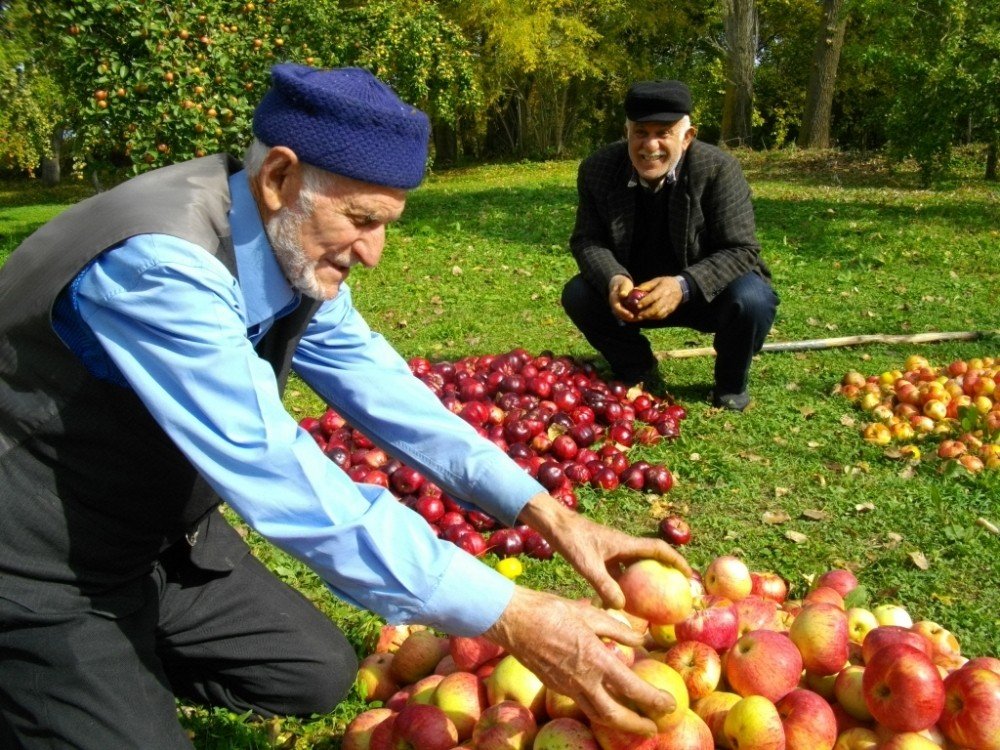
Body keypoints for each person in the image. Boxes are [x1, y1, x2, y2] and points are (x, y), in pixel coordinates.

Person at [0, 65, 693, 749]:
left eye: (386, 223)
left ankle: (113, 659)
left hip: (161, 544)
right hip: (40, 560)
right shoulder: (159, 266)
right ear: (278, 177)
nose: (375, 253)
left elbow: (383, 388)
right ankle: (64, 667)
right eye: (362, 220)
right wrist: (511, 614)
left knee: (316, 674)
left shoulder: (287, 239)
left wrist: (545, 510)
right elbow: (275, 470)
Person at [562, 79, 778, 411]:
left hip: (706, 292)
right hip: (635, 295)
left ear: (687, 137)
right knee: (578, 294)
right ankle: (637, 367)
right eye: (640, 132)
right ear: (626, 133)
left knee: (754, 299)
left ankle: (730, 384)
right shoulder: (598, 169)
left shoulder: (718, 169)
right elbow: (587, 239)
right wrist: (614, 279)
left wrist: (684, 285)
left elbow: (741, 249)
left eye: (663, 132)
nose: (651, 146)